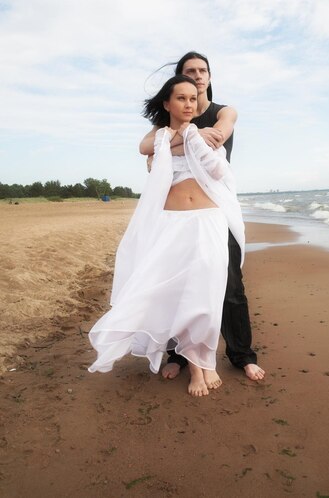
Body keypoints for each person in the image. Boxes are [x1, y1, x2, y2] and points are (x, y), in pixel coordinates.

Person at [89, 75, 245, 397]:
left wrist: (192, 138)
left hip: (208, 221)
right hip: (172, 223)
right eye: (181, 99)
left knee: (205, 294)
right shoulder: (160, 138)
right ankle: (198, 367)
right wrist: (179, 138)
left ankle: (204, 362)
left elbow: (219, 173)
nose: (188, 104)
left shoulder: (204, 135)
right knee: (178, 293)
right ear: (167, 103)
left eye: (192, 99)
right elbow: (149, 158)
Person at [139, 52, 265, 381]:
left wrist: (172, 143)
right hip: (180, 212)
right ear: (178, 81)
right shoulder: (169, 121)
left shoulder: (222, 111)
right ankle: (179, 356)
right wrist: (183, 139)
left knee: (231, 286)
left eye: (202, 71)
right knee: (177, 283)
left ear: (209, 76)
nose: (197, 76)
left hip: (217, 207)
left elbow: (217, 138)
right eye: (189, 72)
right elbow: (147, 148)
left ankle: (241, 355)